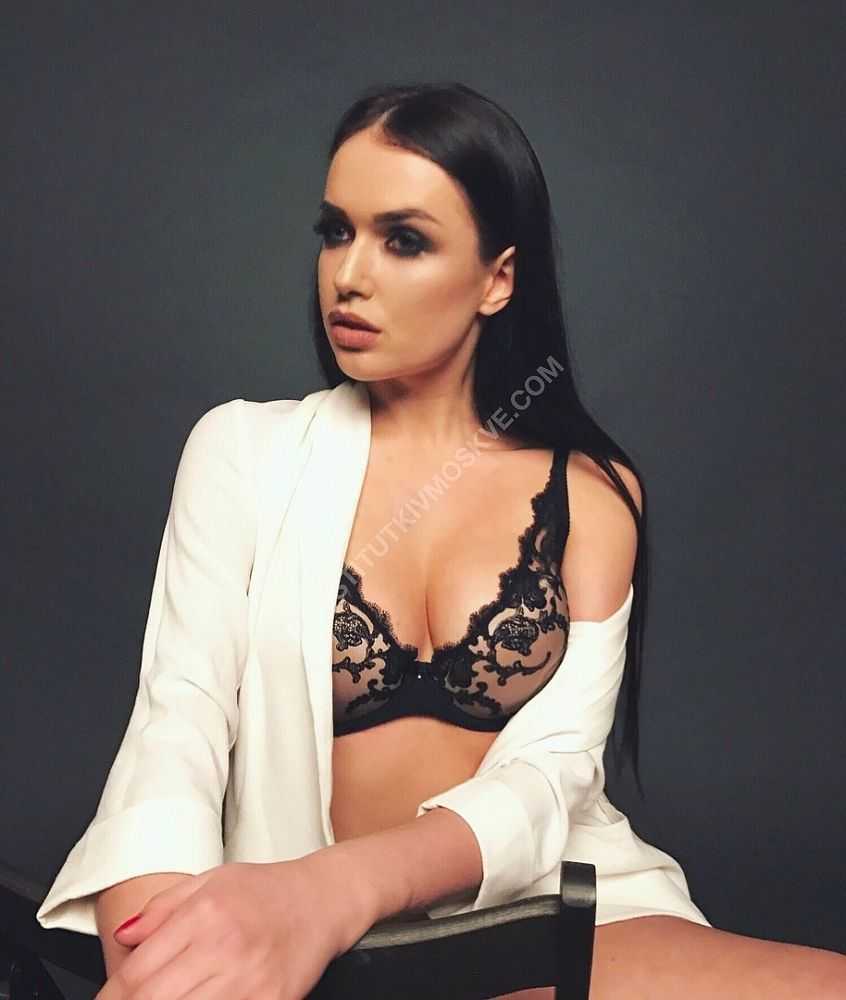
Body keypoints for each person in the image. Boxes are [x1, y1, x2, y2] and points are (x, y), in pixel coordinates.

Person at [37, 82, 845, 999]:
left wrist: (331, 890)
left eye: (404, 240)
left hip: (534, 914)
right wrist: (162, 943)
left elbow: (550, 777)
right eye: (336, 231)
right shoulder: (243, 453)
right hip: (309, 935)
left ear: (498, 279)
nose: (349, 274)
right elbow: (175, 729)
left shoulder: (592, 492)